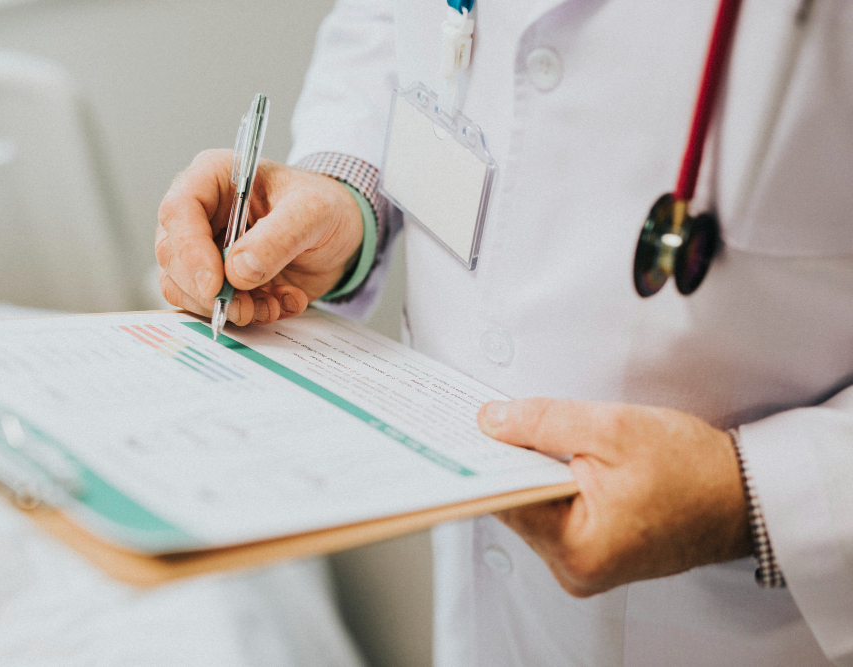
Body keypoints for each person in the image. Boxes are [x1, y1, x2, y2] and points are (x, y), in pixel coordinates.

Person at [155, 0, 853, 664]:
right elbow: (389, 22)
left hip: (764, 619)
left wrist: (753, 495)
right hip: (478, 565)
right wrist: (347, 188)